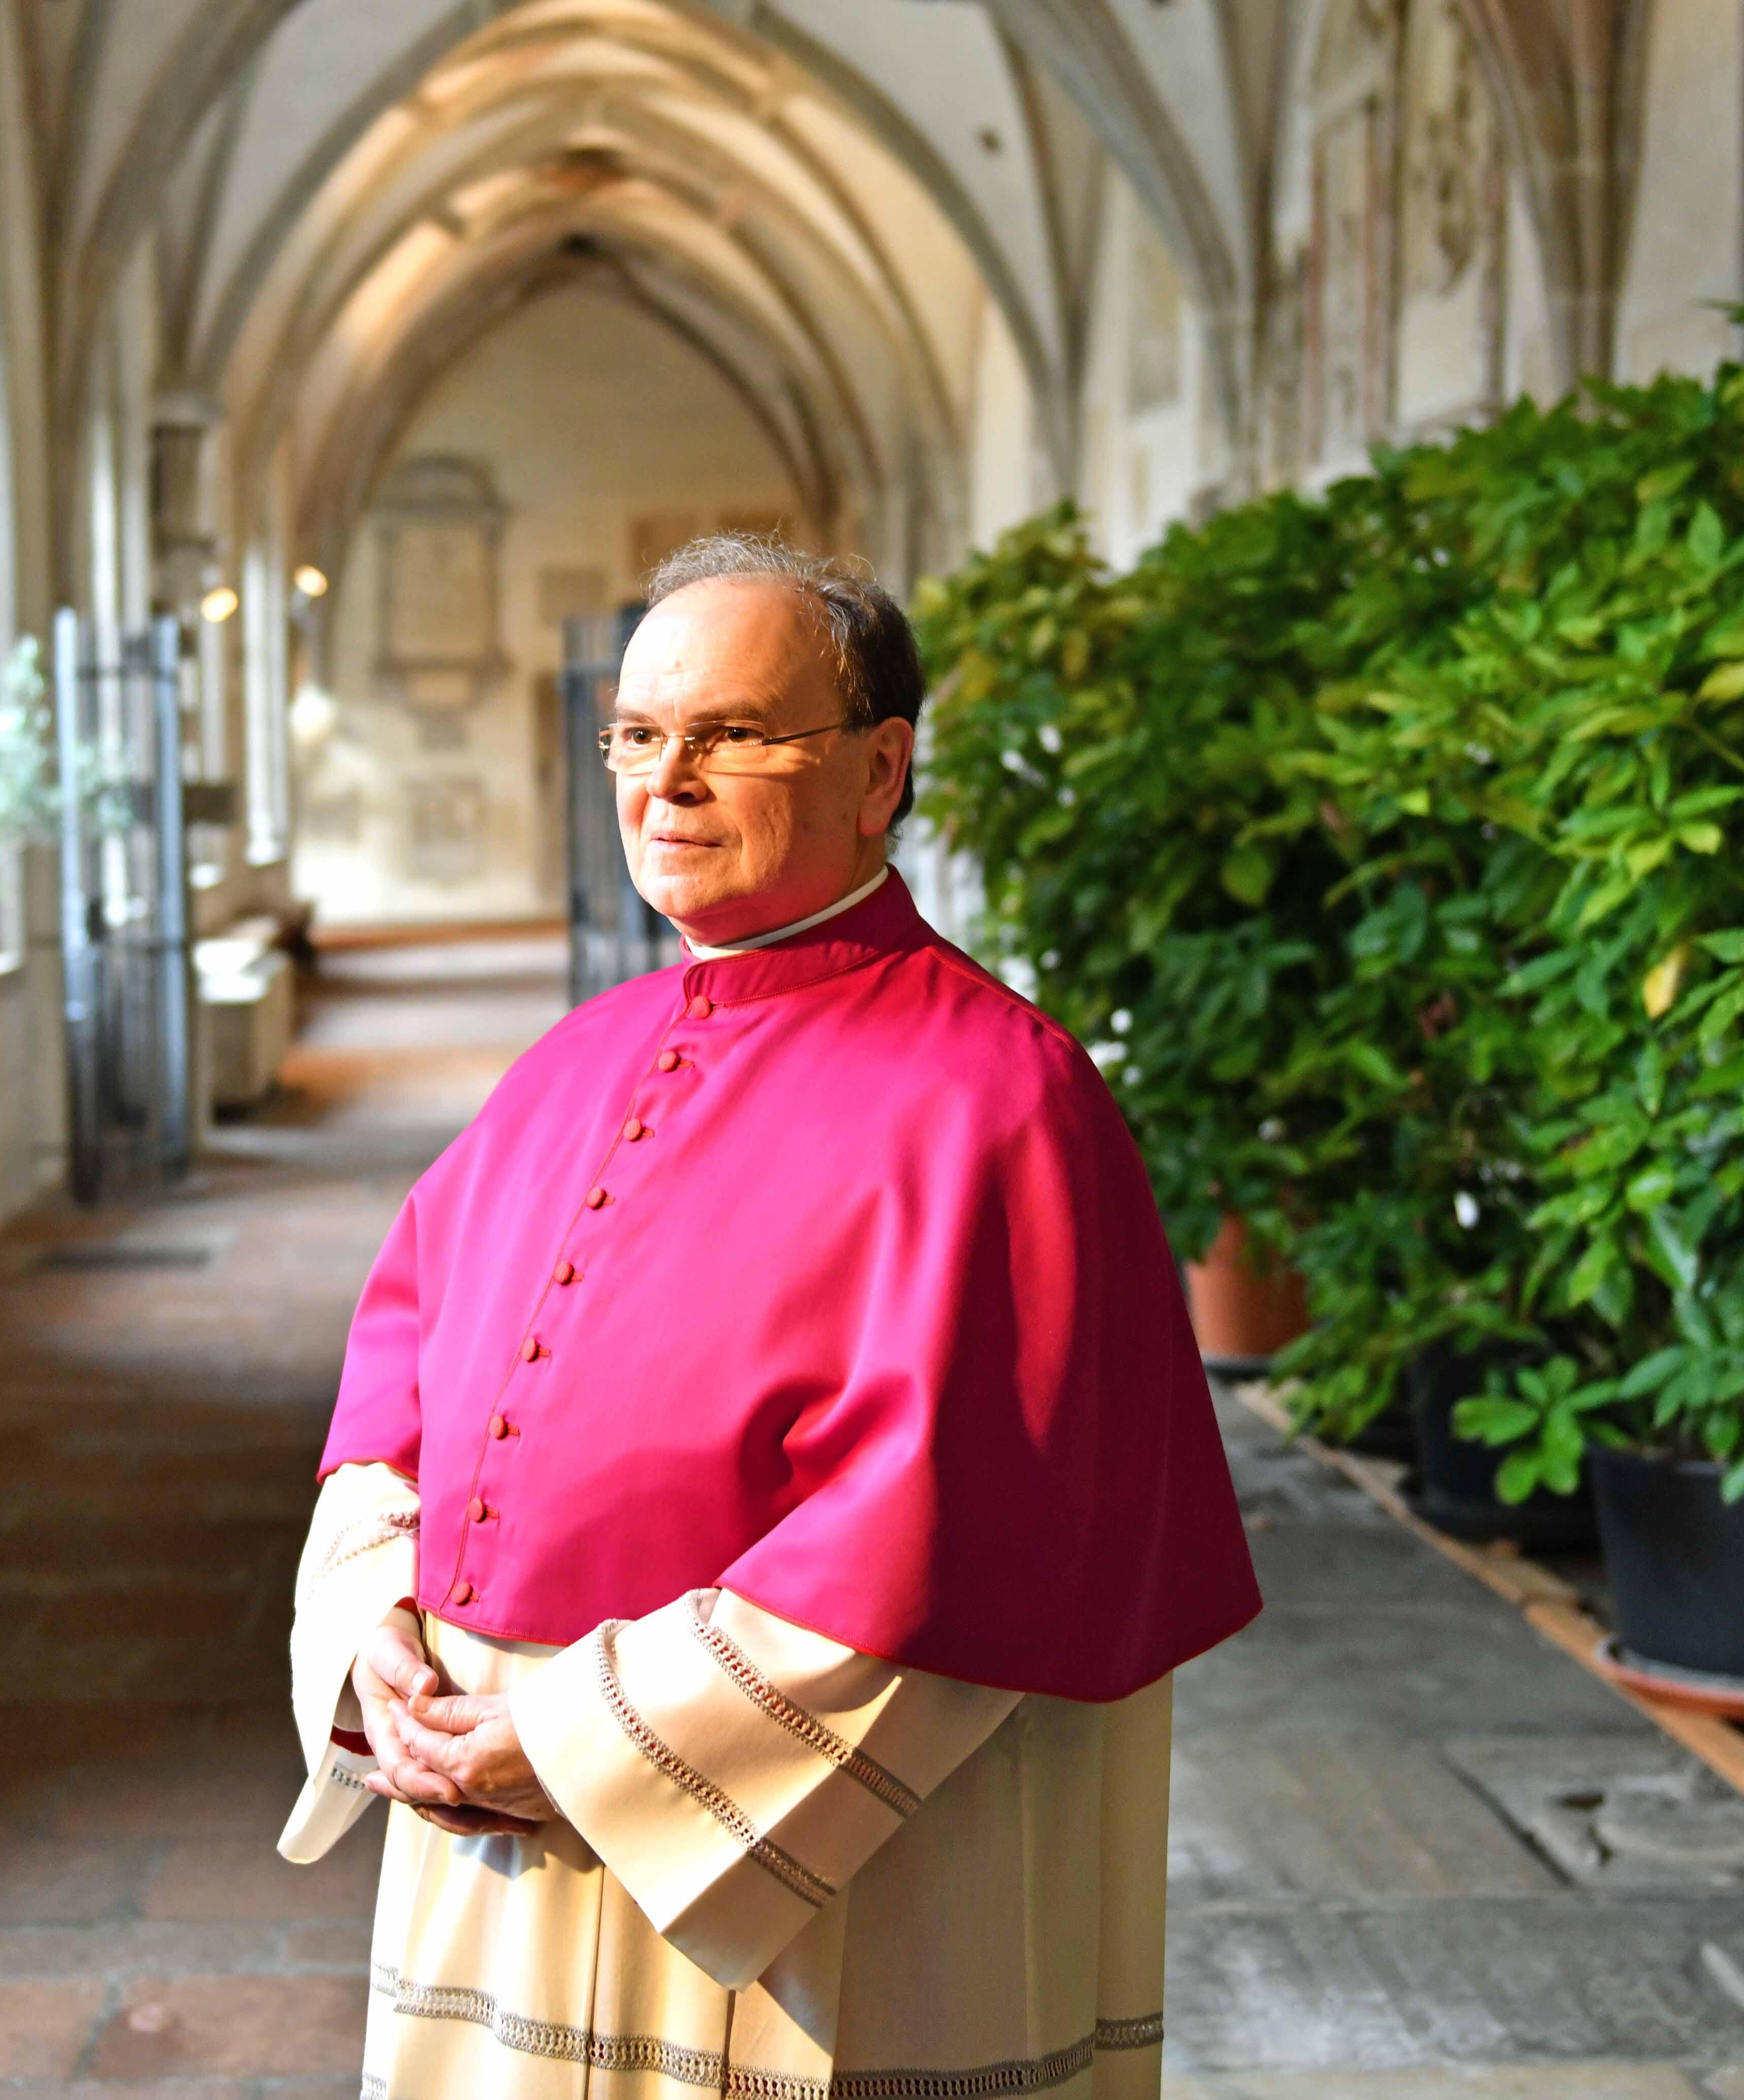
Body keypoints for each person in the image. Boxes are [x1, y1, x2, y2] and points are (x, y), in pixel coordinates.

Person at [278, 534, 1259, 2096]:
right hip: (485, 1807)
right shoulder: (569, 1063)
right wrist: (376, 1643)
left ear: (881, 771)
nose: (665, 781)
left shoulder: (1001, 1102)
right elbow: (398, 1377)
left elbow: (952, 1534)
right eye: (637, 736)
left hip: (817, 1901)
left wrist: (581, 1741)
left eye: (731, 734)